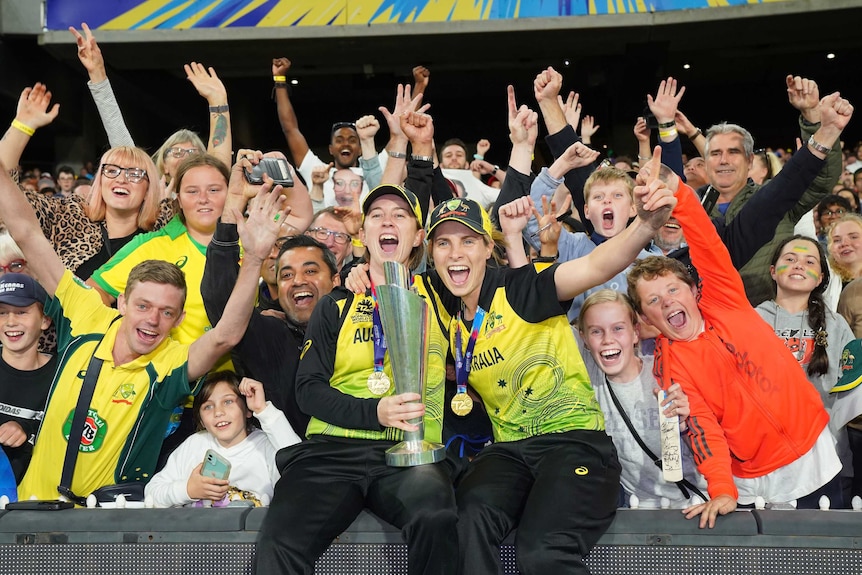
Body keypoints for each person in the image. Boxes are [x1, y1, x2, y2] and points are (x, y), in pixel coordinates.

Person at [0, 143, 290, 501]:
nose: (152, 320)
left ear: (179, 318)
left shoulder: (170, 362)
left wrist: (255, 257)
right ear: (121, 300)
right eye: (143, 306)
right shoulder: (86, 314)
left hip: (107, 525)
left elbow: (226, 334)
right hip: (32, 507)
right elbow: (26, 232)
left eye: (167, 312)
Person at [418, 174, 672, 573]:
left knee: (541, 550)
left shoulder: (522, 289)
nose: (455, 253)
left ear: (488, 248)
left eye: (468, 240)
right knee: (465, 521)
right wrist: (358, 274)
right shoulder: (446, 312)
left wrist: (645, 225)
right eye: (444, 243)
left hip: (572, 445)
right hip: (508, 454)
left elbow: (595, 265)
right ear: (431, 253)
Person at [627, 150, 842, 528]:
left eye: (673, 289)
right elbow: (701, 428)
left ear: (694, 291)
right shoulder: (670, 365)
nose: (668, 302)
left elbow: (707, 243)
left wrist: (677, 190)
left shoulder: (724, 298)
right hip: (749, 478)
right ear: (647, 319)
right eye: (655, 300)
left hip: (815, 455)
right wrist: (722, 488)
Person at [254, 184, 457, 575]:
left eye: (400, 215)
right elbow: (308, 391)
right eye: (377, 215)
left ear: (417, 237)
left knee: (437, 519)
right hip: (331, 453)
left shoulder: (442, 296)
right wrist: (375, 412)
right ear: (362, 236)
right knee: (279, 543)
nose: (388, 222)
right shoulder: (337, 302)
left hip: (411, 455)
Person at [203, 150, 341, 433]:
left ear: (336, 281)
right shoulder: (273, 337)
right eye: (287, 274)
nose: (298, 280)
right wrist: (234, 205)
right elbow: (221, 303)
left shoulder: (361, 327)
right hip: (298, 466)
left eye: (311, 271)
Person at [0, 84, 166, 280]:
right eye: (112, 171)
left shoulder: (163, 228)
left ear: (149, 188)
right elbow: (6, 191)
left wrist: (214, 108)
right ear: (100, 181)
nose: (121, 179)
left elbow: (207, 198)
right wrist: (22, 126)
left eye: (135, 174)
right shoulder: (68, 216)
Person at [578, 289, 705, 509]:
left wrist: (687, 425)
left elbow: (713, 442)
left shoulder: (667, 374)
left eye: (618, 328)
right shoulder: (590, 378)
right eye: (596, 332)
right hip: (640, 511)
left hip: (698, 501)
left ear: (636, 332)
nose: (608, 340)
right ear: (585, 339)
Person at [755, 235, 855, 507]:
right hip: (763, 462)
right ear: (773, 271)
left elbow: (851, 396)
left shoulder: (836, 325)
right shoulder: (750, 321)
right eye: (790, 259)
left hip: (822, 462)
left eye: (809, 261)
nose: (799, 265)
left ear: (820, 277)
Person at [144, 372, 300, 508]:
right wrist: (187, 490)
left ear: (247, 409)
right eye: (208, 406)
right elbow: (152, 494)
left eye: (228, 402)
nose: (218, 412)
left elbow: (302, 469)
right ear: (202, 421)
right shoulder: (195, 444)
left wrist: (263, 409)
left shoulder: (266, 444)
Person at [0, 273, 55, 483]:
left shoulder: (62, 374)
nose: (10, 322)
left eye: (21, 312)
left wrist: (26, 429)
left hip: (36, 499)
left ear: (45, 319)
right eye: (2, 313)